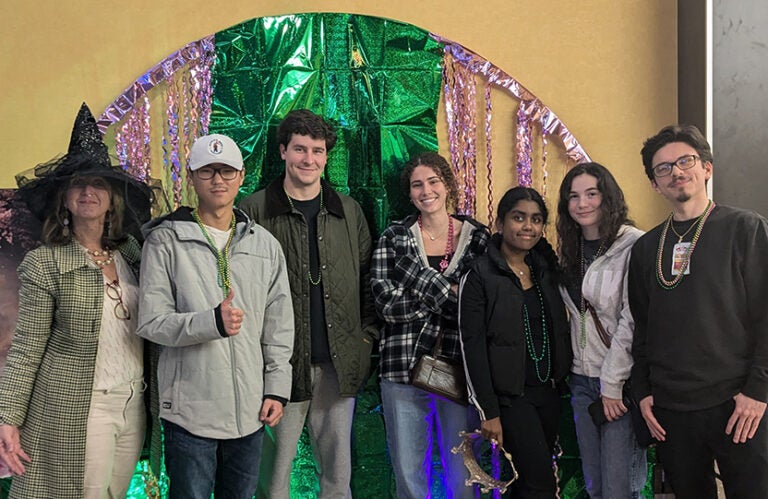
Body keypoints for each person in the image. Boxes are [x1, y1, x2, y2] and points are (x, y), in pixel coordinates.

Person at [0, 103, 156, 498]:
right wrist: (8, 416)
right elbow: (26, 349)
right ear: (65, 199)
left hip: (134, 402)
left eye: (98, 183)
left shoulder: (133, 253)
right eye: (78, 184)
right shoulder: (46, 263)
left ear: (112, 198)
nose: (88, 191)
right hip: (83, 408)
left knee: (115, 494)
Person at [137, 133, 294, 499]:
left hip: (251, 412)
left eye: (227, 171)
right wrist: (211, 323)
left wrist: (277, 389)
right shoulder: (165, 242)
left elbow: (279, 326)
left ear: (241, 177)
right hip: (190, 411)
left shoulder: (264, 245)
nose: (218, 180)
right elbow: (151, 321)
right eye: (207, 172)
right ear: (191, 177)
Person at [239, 109, 377, 498]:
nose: (309, 159)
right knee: (274, 479)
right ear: (283, 151)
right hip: (278, 367)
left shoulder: (348, 211)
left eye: (317, 151)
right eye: (300, 149)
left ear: (326, 156)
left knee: (337, 477)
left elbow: (369, 281)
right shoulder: (254, 211)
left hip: (339, 364)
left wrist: (364, 341)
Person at [628, 124, 768, 499]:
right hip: (672, 408)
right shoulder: (646, 249)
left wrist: (758, 389)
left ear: (706, 168)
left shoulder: (746, 229)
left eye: (685, 161)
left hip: (738, 403)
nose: (676, 172)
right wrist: (642, 391)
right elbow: (642, 329)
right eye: (663, 168)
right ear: (655, 185)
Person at [371, 151, 489, 499]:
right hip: (400, 368)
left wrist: (418, 288)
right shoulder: (394, 237)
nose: (426, 191)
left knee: (463, 468)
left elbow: (476, 307)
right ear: (409, 194)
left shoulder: (478, 238)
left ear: (448, 185)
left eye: (433, 181)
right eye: (417, 185)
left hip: (458, 369)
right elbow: (385, 303)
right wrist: (447, 293)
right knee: (408, 469)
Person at [459, 186, 570, 498]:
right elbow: (473, 346)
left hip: (547, 393)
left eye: (536, 220)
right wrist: (488, 411)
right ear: (501, 222)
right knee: (540, 484)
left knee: (527, 483)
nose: (528, 226)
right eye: (518, 217)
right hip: (510, 400)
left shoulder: (545, 269)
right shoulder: (480, 274)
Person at [555, 163, 647, 498]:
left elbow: (631, 320)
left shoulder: (633, 245)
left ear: (607, 196)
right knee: (595, 485)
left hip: (619, 384)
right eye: (574, 196)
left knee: (620, 487)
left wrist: (611, 384)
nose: (582, 203)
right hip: (582, 381)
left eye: (591, 193)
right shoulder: (570, 247)